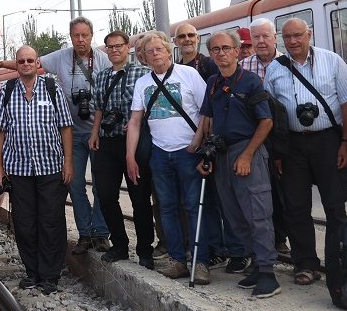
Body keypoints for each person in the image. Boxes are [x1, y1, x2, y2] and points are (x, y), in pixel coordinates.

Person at [0, 16, 110, 252]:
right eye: (76, 35)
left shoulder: (102, 59)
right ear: (71, 36)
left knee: (100, 186)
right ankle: (85, 232)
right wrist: (0, 63)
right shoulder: (62, 56)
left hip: (98, 132)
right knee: (74, 185)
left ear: (91, 36)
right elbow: (30, 63)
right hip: (71, 133)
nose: (80, 39)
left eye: (85, 35)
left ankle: (101, 232)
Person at [263, 18, 347, 295]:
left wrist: (346, 143)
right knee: (295, 208)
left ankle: (337, 262)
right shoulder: (274, 70)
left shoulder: (332, 61)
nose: (293, 41)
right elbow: (273, 113)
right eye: (287, 37)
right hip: (292, 144)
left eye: (298, 35)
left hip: (329, 140)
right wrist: (277, 152)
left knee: (334, 205)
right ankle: (305, 263)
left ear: (309, 35)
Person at [194, 31, 281, 298]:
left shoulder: (251, 81)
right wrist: (204, 154)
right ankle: (255, 263)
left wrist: (247, 155)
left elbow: (266, 121)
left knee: (257, 213)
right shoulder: (212, 82)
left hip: (247, 151)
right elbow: (207, 120)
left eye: (226, 48)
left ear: (236, 51)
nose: (221, 53)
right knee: (235, 216)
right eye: (215, 49)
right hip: (221, 153)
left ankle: (268, 273)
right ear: (211, 54)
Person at [125, 30, 208, 281]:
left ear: (168, 50)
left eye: (159, 49)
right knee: (168, 208)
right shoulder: (143, 83)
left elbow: (207, 112)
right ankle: (177, 260)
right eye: (149, 51)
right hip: (160, 153)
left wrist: (197, 141)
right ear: (144, 57)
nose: (155, 54)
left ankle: (200, 261)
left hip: (189, 151)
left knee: (194, 206)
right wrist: (130, 156)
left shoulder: (189, 74)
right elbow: (136, 121)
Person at [0, 44, 75, 294]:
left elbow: (66, 126)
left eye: (30, 60)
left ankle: (50, 275)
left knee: (51, 221)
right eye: (21, 61)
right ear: (16, 64)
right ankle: (32, 272)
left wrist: (68, 161)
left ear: (37, 62)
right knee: (25, 223)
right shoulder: (6, 91)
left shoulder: (52, 89)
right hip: (18, 169)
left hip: (50, 167)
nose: (26, 64)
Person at [173, 21, 243, 270]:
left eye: (191, 35)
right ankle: (215, 247)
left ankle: (231, 248)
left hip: (213, 138)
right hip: (196, 140)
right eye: (182, 36)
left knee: (221, 197)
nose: (187, 39)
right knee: (206, 198)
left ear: (198, 38)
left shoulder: (209, 63)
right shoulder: (179, 67)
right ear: (176, 41)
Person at [89, 30, 155, 269]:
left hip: (134, 142)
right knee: (105, 195)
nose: (115, 50)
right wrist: (95, 132)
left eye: (119, 46)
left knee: (139, 198)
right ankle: (119, 245)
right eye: (110, 47)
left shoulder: (143, 73)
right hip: (107, 141)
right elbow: (97, 107)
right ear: (106, 50)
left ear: (128, 47)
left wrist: (141, 121)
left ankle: (145, 250)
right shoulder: (101, 76)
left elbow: (153, 104)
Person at [240, 18, 291, 256]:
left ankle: (283, 239)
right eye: (256, 37)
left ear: (274, 38)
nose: (261, 41)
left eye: (265, 36)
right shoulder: (244, 66)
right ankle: (274, 239)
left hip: (285, 134)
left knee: (286, 191)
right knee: (264, 190)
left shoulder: (288, 63)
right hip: (258, 136)